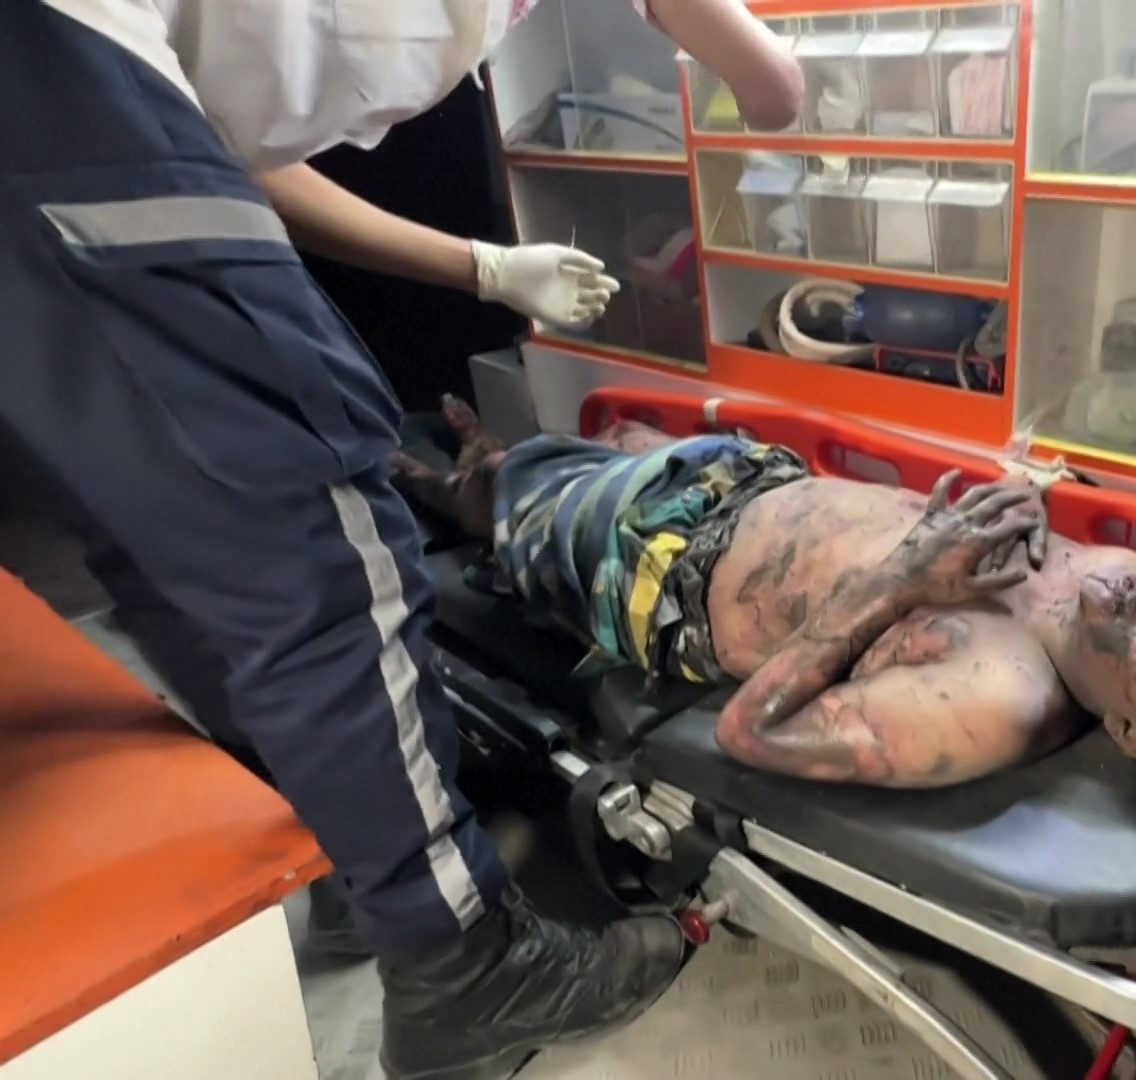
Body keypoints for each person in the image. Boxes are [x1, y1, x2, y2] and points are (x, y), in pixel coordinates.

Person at [0, 3, 800, 1079]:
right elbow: (776, 90)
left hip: (58, 104)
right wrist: (759, 68)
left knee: (167, 524)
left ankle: (348, 854)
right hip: (48, 75)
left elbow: (224, 156)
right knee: (315, 538)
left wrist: (484, 267)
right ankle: (459, 960)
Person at [398, 398, 1136, 821]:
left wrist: (902, 578)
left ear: (1135, 734)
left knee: (499, 497)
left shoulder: (993, 701)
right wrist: (1017, 494)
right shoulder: (1118, 572)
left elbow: (749, 732)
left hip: (654, 568)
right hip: (740, 480)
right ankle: (491, 471)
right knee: (591, 444)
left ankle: (439, 493)